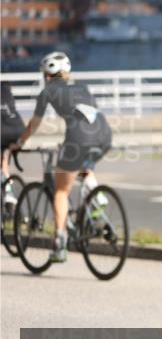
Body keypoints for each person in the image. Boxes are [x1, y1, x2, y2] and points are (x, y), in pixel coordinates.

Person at [10, 52, 112, 263]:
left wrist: (19, 143)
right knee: (84, 163)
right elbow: (89, 118)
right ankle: (95, 197)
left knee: (60, 191)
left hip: (78, 138)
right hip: (104, 135)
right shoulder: (83, 88)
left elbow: (34, 124)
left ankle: (59, 242)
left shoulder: (47, 91)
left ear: (47, 75)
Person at [1, 81, 26, 207]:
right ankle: (9, 193)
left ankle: (8, 192)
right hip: (18, 129)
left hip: (2, 130)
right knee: (4, 163)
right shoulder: (7, 93)